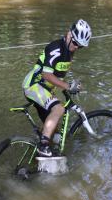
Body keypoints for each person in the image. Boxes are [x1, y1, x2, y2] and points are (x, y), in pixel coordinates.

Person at [22, 19, 92, 157]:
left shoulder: (69, 50)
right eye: (76, 43)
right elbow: (47, 75)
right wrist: (66, 86)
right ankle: (43, 147)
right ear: (69, 34)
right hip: (34, 85)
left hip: (45, 89)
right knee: (59, 109)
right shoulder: (56, 48)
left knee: (52, 127)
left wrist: (71, 85)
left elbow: (56, 75)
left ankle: (36, 153)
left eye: (81, 46)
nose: (77, 47)